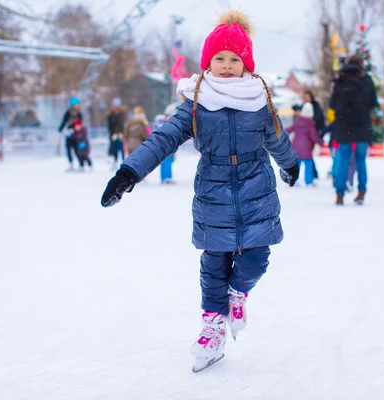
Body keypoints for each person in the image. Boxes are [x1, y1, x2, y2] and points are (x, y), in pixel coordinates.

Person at [100, 10, 299, 372]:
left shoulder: (259, 102)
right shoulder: (197, 102)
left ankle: (238, 295)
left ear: (246, 64)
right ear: (208, 62)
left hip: (257, 191)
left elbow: (279, 141)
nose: (226, 65)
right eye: (219, 58)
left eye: (234, 59)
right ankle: (212, 327)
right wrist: (130, 171)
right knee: (213, 263)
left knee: (256, 257)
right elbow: (163, 139)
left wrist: (291, 164)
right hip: (214, 194)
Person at [329, 55, 378, 205]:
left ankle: (339, 193)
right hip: (362, 125)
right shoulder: (367, 80)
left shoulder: (340, 80)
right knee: (361, 160)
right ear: (362, 64)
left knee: (343, 159)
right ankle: (361, 191)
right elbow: (373, 103)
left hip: (344, 125)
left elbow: (332, 103)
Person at [287, 104, 324, 186]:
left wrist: (279, 133)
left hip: (296, 145)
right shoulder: (310, 123)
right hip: (306, 147)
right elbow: (313, 136)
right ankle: (308, 181)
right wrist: (321, 142)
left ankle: (294, 180)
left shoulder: (298, 121)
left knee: (297, 164)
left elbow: (289, 129)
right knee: (308, 163)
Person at [58, 96, 83, 172]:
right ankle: (71, 164)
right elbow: (64, 121)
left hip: (77, 135)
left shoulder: (79, 113)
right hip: (69, 134)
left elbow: (80, 124)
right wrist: (60, 130)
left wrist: (76, 129)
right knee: (68, 150)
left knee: (77, 150)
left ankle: (81, 165)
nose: (77, 105)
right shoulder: (68, 112)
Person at [107, 98, 127, 169]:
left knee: (121, 148)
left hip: (120, 133)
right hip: (113, 134)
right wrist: (112, 133)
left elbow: (121, 124)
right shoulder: (111, 114)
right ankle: (115, 162)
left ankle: (124, 162)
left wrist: (120, 133)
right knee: (114, 148)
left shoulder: (122, 114)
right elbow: (110, 125)